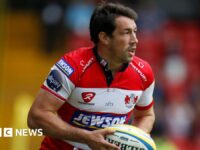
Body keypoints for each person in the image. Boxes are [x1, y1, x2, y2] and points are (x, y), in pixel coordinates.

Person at [27, 2, 155, 150]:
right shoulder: (71, 66)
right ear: (104, 37)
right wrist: (86, 138)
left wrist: (133, 141)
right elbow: (36, 117)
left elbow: (145, 115)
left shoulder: (143, 72)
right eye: (126, 33)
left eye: (135, 31)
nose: (135, 40)